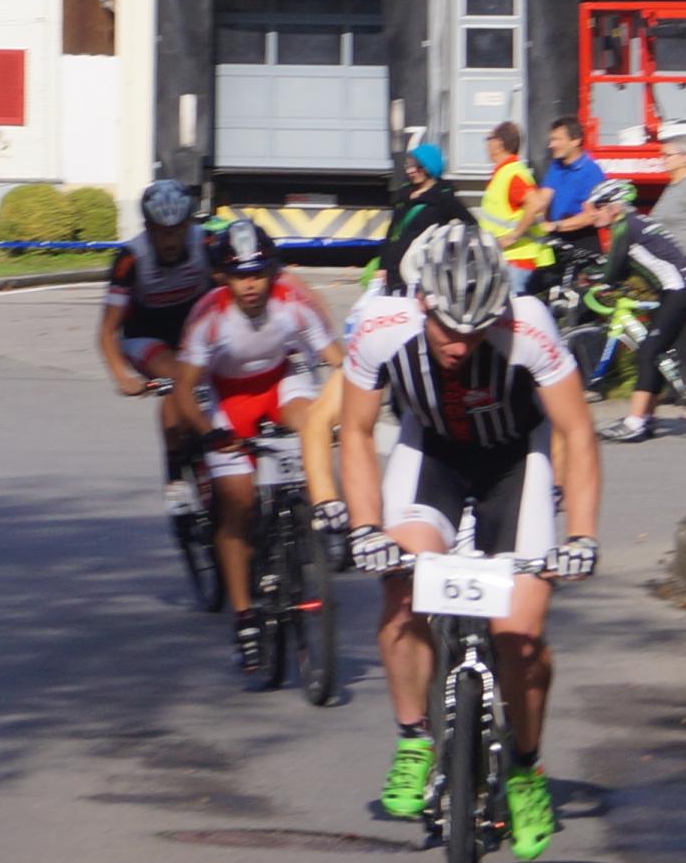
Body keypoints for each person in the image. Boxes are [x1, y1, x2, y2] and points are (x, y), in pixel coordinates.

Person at [339, 221, 602, 861]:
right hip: (432, 456)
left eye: (475, 331)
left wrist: (582, 536)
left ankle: (526, 769)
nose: (459, 345)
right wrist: (365, 527)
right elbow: (356, 431)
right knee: (402, 591)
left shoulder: (529, 325)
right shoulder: (380, 326)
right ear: (421, 302)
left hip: (517, 462)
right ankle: (413, 739)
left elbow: (577, 432)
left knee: (520, 637)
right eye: (447, 329)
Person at [172, 218, 348, 672]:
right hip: (226, 397)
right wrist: (211, 433)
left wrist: (341, 418)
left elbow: (341, 363)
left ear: (270, 272)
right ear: (223, 277)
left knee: (312, 427)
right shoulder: (208, 316)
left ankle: (319, 514)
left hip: (279, 382)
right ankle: (245, 616)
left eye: (257, 274)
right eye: (239, 275)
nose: (249, 285)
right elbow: (184, 389)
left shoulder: (292, 302)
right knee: (239, 502)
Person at [97, 178, 221, 532]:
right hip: (146, 336)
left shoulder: (206, 243)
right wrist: (122, 376)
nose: (169, 241)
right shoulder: (131, 258)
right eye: (160, 232)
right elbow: (107, 331)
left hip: (193, 330)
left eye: (177, 231)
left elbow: (233, 289)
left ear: (189, 225)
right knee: (178, 378)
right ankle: (175, 475)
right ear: (147, 228)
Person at [574, 178, 686, 442]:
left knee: (647, 353)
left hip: (680, 289)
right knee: (655, 354)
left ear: (613, 207)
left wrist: (589, 278)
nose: (593, 213)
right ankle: (647, 418)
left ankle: (634, 422)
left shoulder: (625, 226)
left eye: (597, 207)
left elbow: (614, 270)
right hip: (681, 288)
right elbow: (624, 269)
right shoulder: (635, 222)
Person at [371, 137, 481, 295]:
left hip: (423, 274)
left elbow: (471, 225)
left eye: (416, 166)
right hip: (394, 271)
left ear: (429, 167)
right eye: (408, 166)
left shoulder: (444, 197)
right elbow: (392, 233)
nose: (410, 171)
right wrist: (382, 267)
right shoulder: (404, 194)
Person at [537, 116, 613, 287]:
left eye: (557, 139)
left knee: (578, 294)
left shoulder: (591, 172)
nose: (551, 145)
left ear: (575, 140)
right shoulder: (556, 166)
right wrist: (537, 218)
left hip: (582, 243)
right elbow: (544, 197)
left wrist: (554, 226)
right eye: (551, 140)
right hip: (557, 241)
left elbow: (591, 216)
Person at [474, 123, 553, 285]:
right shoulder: (506, 172)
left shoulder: (512, 174)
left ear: (499, 143)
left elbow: (536, 203)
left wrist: (514, 236)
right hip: (510, 259)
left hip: (518, 261)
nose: (486, 144)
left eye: (488, 139)